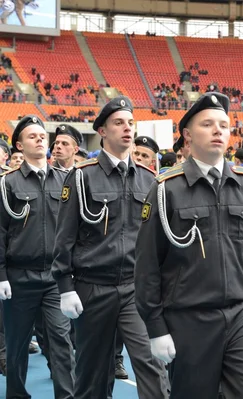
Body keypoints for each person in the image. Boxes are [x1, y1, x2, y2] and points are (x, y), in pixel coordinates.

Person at [135, 93, 243, 399]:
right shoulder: (165, 190)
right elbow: (146, 265)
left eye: (224, 124)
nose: (218, 131)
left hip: (241, 314)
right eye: (207, 124)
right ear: (187, 135)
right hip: (188, 317)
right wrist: (155, 327)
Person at [52, 96, 169, 399]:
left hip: (135, 289)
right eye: (119, 123)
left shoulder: (149, 179)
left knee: (152, 363)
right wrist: (65, 286)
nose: (127, 129)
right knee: (92, 372)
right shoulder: (81, 177)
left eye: (130, 123)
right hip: (93, 288)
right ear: (102, 130)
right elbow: (64, 236)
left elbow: (157, 240)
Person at [0, 115, 75, 399]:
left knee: (61, 342)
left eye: (43, 135)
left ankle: (66, 396)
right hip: (19, 278)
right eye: (32, 136)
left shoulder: (67, 181)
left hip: (56, 279)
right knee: (17, 345)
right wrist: (1, 274)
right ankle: (16, 395)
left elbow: (74, 232)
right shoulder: (7, 184)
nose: (40, 139)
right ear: (18, 145)